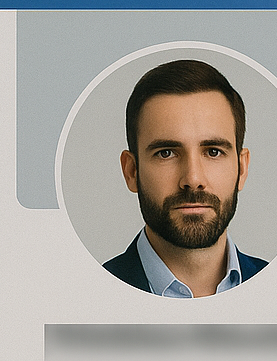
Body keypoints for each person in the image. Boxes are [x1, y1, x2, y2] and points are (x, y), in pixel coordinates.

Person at [105, 59, 268, 296]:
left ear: (241, 169)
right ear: (131, 171)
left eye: (213, 152)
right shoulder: (82, 298)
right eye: (166, 153)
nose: (192, 179)